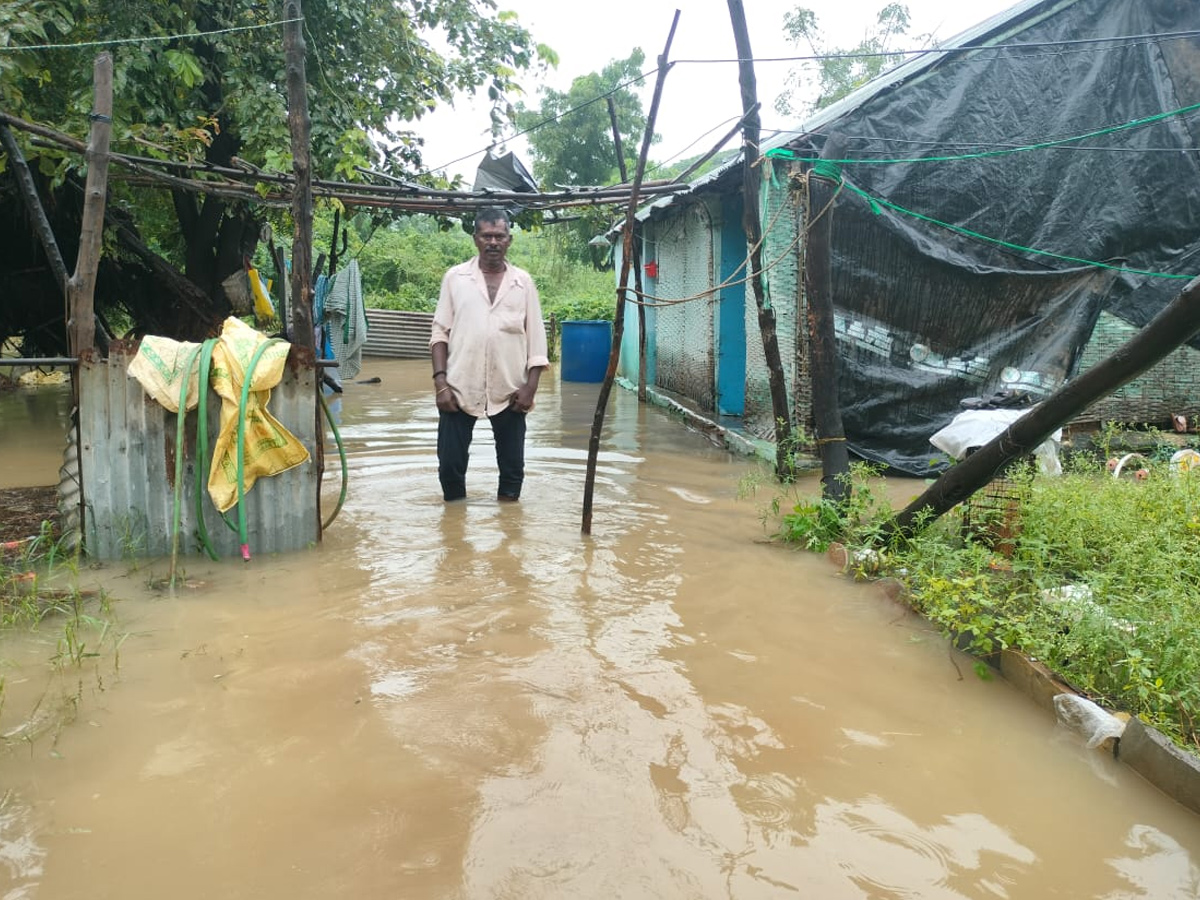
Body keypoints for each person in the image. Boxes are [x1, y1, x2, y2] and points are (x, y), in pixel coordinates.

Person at [429, 208, 549, 502]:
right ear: (475, 239)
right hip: (458, 386)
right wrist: (441, 384)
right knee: (450, 467)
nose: (493, 242)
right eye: (487, 236)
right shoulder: (455, 278)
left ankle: (509, 530)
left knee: (512, 469)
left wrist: (530, 388)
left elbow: (536, 339)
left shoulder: (523, 282)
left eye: (499, 236)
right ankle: (454, 526)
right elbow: (439, 334)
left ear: (509, 240)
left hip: (510, 389)